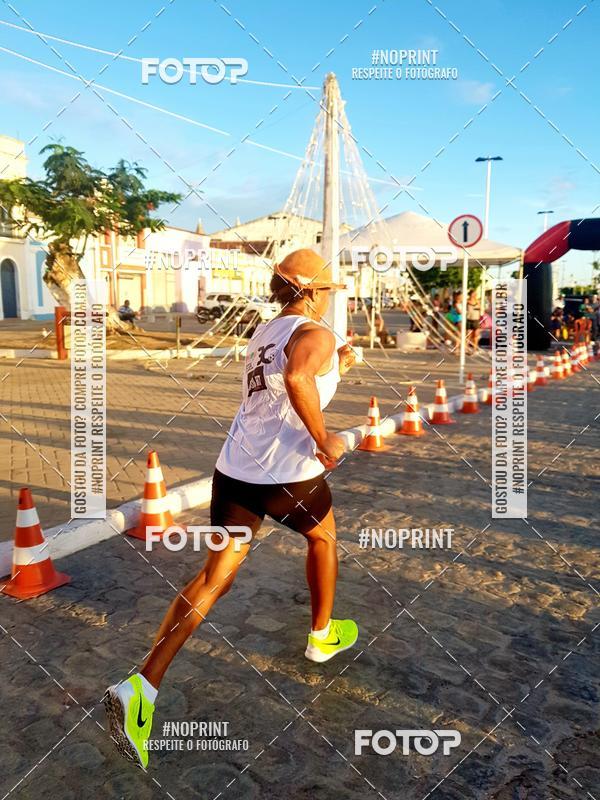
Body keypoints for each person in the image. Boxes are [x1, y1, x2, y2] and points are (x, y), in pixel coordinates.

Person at [104, 249, 359, 767]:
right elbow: (298, 380)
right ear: (310, 291)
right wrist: (325, 438)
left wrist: (339, 365)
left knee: (215, 576)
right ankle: (321, 636)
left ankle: (142, 687)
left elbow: (290, 377)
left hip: (235, 472)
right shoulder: (318, 335)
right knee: (324, 538)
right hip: (288, 476)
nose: (332, 299)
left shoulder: (268, 333)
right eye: (328, 291)